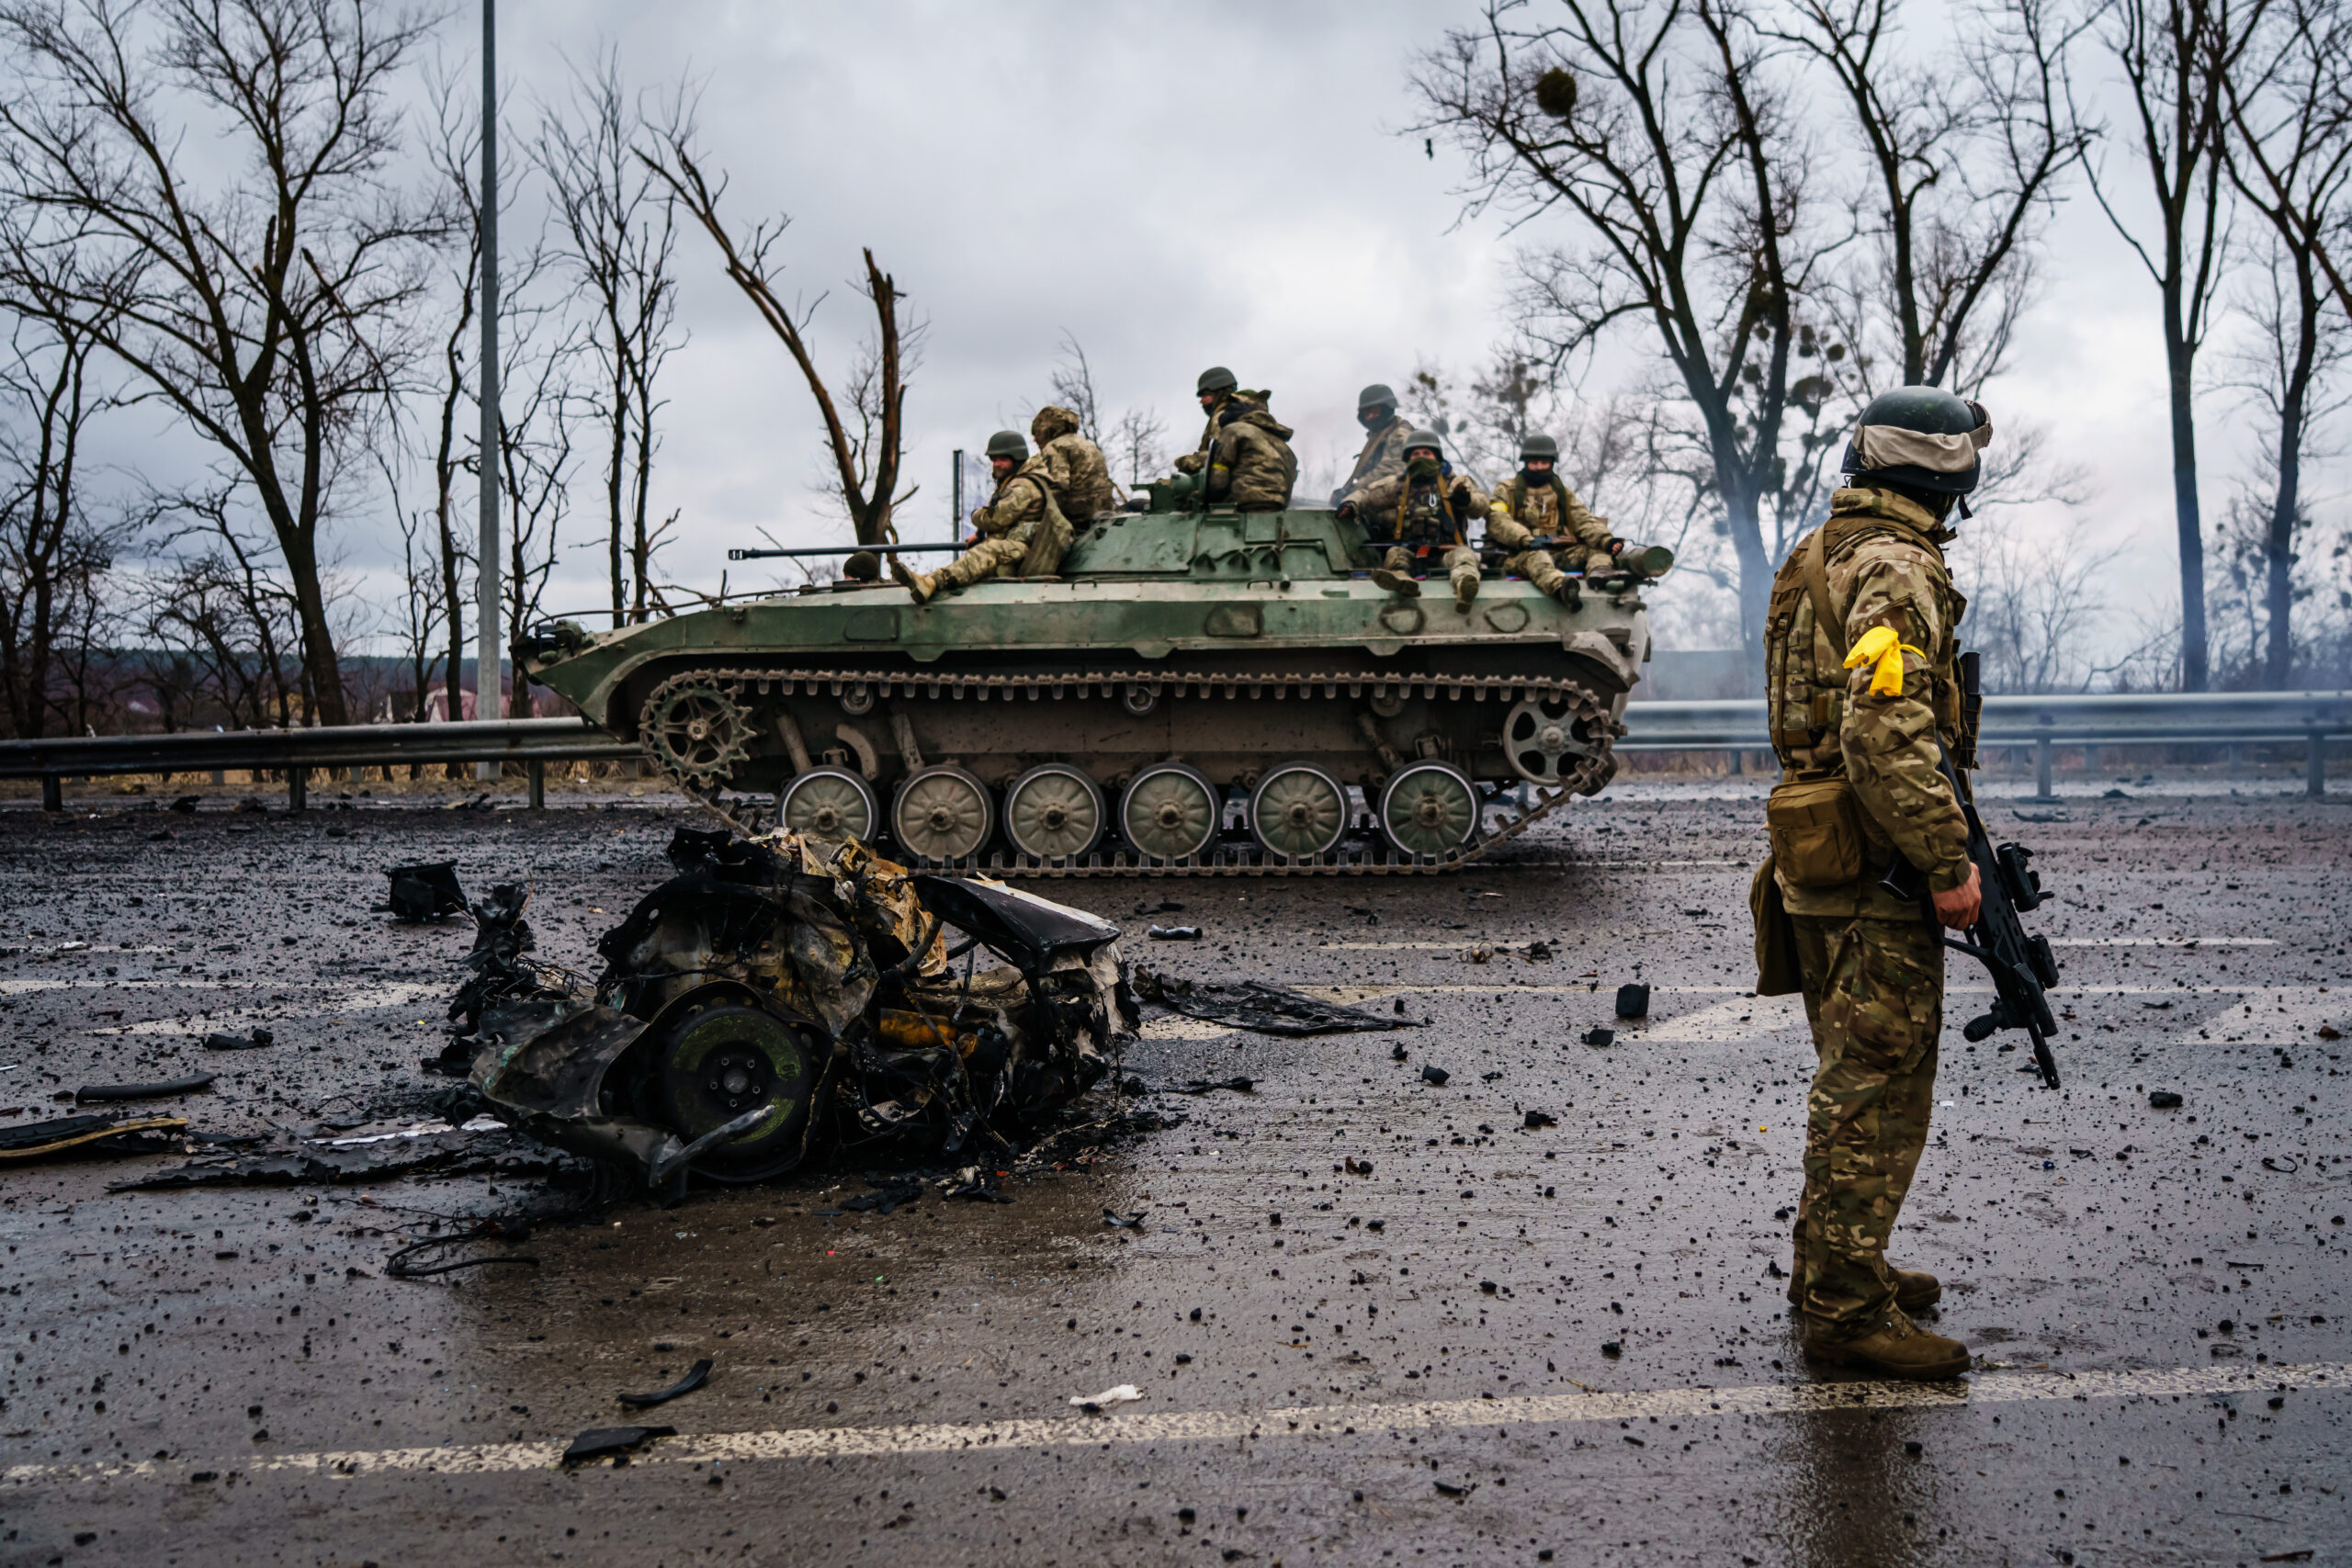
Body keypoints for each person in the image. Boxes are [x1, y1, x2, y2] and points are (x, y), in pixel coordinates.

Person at [1760, 384, 1992, 1382]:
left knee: (1852, 1072)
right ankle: (1845, 1313)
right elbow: (1882, 729)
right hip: (1875, 861)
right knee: (1876, 1082)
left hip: (1823, 850)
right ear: (1943, 473)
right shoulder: (1897, 567)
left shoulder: (1821, 550)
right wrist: (1946, 863)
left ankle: (1836, 1265)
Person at [889, 429, 1069, 604]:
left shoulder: (1023, 485)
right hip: (1017, 545)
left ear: (1016, 459)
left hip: (1028, 550)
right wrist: (981, 534)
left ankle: (932, 582)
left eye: (1003, 459)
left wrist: (977, 516)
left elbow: (996, 518)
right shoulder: (1013, 481)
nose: (996, 464)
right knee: (986, 550)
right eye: (994, 459)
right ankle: (927, 580)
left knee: (989, 551)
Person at [1340, 428, 1485, 611]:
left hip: (1447, 551)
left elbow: (1481, 505)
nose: (1421, 457)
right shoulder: (1398, 485)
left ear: (1437, 457)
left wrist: (1466, 500)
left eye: (1427, 453)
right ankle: (1403, 582)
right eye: (1416, 454)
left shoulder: (1456, 483)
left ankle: (1465, 586)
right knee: (1394, 555)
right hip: (1412, 551)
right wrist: (1351, 504)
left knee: (1464, 556)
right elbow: (1367, 496)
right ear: (1408, 458)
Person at [1486, 433, 1631, 605]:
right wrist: (1525, 539)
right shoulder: (1506, 490)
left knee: (1598, 551)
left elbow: (1583, 519)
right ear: (1526, 462)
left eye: (1544, 462)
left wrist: (1606, 540)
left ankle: (1600, 575)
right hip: (1518, 555)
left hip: (1559, 552)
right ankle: (1562, 588)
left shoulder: (1561, 492)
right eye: (1534, 462)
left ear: (1552, 463)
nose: (1539, 467)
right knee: (1538, 557)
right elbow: (1497, 520)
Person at [1172, 367, 1296, 510]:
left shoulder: (1225, 418)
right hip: (1276, 501)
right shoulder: (1254, 420)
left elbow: (1218, 457)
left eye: (1204, 395)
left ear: (1218, 392)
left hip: (1239, 499)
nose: (1201, 401)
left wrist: (1187, 462)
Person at [1330, 382, 1411, 505]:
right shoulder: (1377, 436)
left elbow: (1390, 470)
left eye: (1375, 411)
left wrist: (1352, 490)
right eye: (1366, 413)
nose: (1370, 417)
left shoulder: (1400, 434)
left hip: (1396, 503)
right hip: (1378, 499)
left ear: (1387, 409)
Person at [1031, 404, 1116, 521]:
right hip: (1103, 509)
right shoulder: (1085, 443)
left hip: (1078, 514)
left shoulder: (1055, 447)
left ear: (1047, 430)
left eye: (1037, 433)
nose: (1034, 439)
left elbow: (1058, 486)